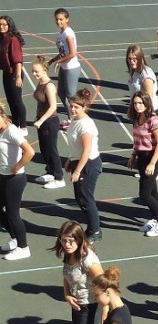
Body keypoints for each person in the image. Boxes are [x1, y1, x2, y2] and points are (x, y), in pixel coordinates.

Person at [127, 92, 158, 238]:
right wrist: (133, 155)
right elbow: (137, 141)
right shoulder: (136, 118)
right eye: (135, 103)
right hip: (141, 158)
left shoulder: (154, 120)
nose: (137, 106)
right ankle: (155, 219)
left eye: (140, 103)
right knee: (152, 191)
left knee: (144, 194)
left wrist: (152, 163)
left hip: (152, 158)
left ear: (146, 103)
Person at [65, 89, 103, 242]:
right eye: (71, 106)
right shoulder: (75, 120)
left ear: (84, 107)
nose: (73, 109)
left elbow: (87, 150)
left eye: (76, 107)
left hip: (88, 164)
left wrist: (77, 171)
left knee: (86, 199)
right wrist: (70, 160)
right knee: (80, 198)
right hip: (78, 161)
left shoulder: (85, 125)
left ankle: (95, 231)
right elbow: (76, 147)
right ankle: (92, 227)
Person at [0, 104, 32, 260]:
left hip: (15, 179)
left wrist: (18, 166)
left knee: (13, 214)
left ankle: (23, 247)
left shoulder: (12, 131)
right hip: (2, 176)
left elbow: (29, 151)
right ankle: (14, 238)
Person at [31, 55, 64, 188]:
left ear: (44, 70)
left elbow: (53, 107)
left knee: (51, 150)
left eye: (36, 71)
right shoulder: (40, 83)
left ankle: (59, 177)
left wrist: (41, 120)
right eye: (33, 71)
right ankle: (50, 172)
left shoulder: (49, 86)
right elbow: (40, 103)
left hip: (50, 122)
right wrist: (37, 117)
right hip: (42, 120)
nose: (34, 74)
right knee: (44, 149)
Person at [47, 8, 80, 121]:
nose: (58, 21)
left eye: (61, 19)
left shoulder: (68, 34)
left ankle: (76, 118)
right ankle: (71, 117)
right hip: (64, 68)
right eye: (57, 19)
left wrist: (59, 61)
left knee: (71, 96)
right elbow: (63, 53)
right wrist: (52, 61)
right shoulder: (61, 34)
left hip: (71, 68)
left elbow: (72, 53)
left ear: (67, 19)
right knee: (61, 93)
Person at [0, 15, 26, 128]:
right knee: (10, 100)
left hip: (15, 73)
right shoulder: (2, 39)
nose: (1, 27)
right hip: (6, 73)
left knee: (17, 100)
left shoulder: (13, 40)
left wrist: (18, 76)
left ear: (9, 25)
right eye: (0, 24)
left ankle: (23, 126)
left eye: (4, 24)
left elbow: (18, 60)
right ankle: (15, 123)